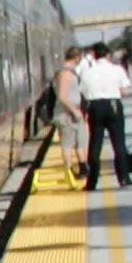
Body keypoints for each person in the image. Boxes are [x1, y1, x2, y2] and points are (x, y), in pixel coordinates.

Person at [74, 43, 132, 187]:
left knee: (95, 144)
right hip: (113, 104)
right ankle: (124, 178)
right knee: (119, 143)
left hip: (95, 107)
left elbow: (82, 91)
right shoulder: (117, 69)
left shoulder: (87, 72)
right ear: (108, 55)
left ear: (94, 55)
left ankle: (92, 181)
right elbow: (125, 91)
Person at [53, 45, 90, 182]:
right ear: (76, 57)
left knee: (81, 141)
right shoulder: (65, 74)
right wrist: (74, 110)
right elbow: (62, 96)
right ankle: (69, 171)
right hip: (67, 114)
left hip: (75, 112)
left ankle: (84, 168)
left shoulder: (71, 72)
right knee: (67, 143)